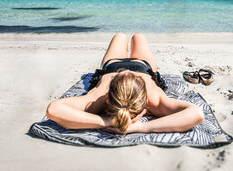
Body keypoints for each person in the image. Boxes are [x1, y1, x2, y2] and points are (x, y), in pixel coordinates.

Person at [46, 33, 204, 134]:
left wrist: (106, 121)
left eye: (122, 75)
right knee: (138, 37)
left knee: (120, 36)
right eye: (134, 76)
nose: (127, 71)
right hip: (142, 65)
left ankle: (123, 39)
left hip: (112, 65)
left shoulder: (96, 100)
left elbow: (54, 109)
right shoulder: (155, 101)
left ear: (108, 96)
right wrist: (141, 127)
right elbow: (196, 113)